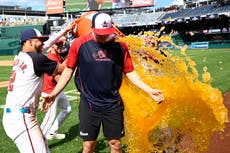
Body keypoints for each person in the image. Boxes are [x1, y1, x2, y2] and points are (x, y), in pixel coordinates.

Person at [42, 12, 164, 153]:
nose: (104, 36)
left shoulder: (120, 46)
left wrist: (148, 90)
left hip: (113, 104)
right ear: (92, 28)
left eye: (106, 32)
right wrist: (54, 93)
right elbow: (68, 70)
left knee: (115, 144)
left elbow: (129, 71)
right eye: (100, 33)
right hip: (89, 103)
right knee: (88, 145)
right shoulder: (79, 44)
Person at [2, 28, 66, 153]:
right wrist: (76, 48)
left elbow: (45, 45)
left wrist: (65, 30)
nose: (43, 43)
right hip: (21, 119)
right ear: (29, 42)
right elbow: (63, 68)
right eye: (40, 41)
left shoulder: (21, 55)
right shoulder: (36, 59)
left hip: (18, 115)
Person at [40, 39, 71, 140]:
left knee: (67, 110)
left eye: (62, 44)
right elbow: (57, 78)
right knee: (49, 118)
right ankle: (38, 140)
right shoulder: (51, 57)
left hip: (56, 90)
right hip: (50, 91)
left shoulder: (56, 56)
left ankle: (52, 132)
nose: (60, 46)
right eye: (58, 44)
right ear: (52, 45)